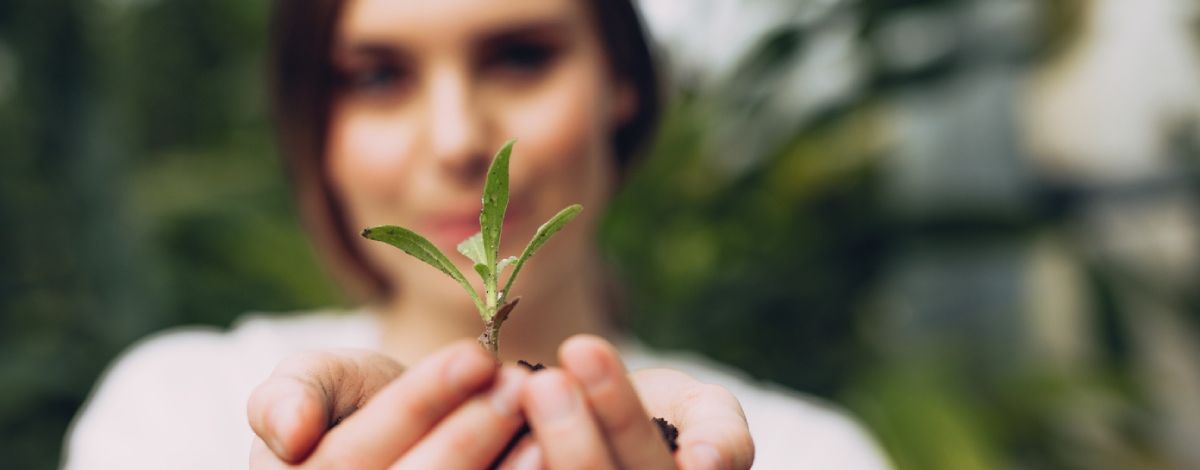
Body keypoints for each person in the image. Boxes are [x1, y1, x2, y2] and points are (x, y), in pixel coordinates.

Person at [63, 0, 889, 468]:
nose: (460, 140)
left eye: (521, 57)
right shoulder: (176, 417)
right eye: (378, 76)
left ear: (624, 85)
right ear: (316, 125)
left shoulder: (804, 454)